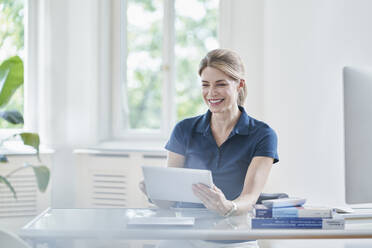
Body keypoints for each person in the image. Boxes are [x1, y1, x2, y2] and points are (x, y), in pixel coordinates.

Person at [140, 48, 279, 248]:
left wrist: (227, 207)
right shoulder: (184, 129)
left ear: (239, 84)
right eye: (205, 85)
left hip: (235, 237)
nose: (211, 93)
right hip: (185, 236)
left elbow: (249, 197)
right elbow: (168, 202)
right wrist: (154, 192)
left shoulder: (263, 135)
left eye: (220, 84)